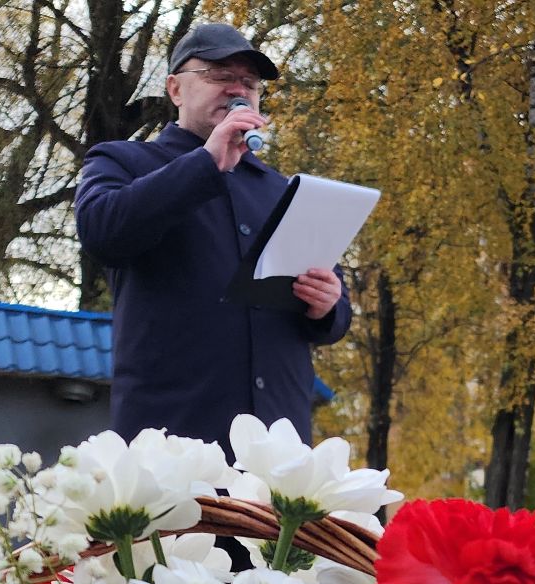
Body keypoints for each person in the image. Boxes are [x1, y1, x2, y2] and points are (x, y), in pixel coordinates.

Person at [75, 23, 351, 449]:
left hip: (277, 446)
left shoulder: (283, 191)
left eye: (250, 83)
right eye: (221, 76)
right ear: (175, 89)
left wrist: (327, 303)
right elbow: (101, 231)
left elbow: (336, 313)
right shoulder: (123, 161)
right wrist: (205, 163)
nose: (238, 89)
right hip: (173, 438)